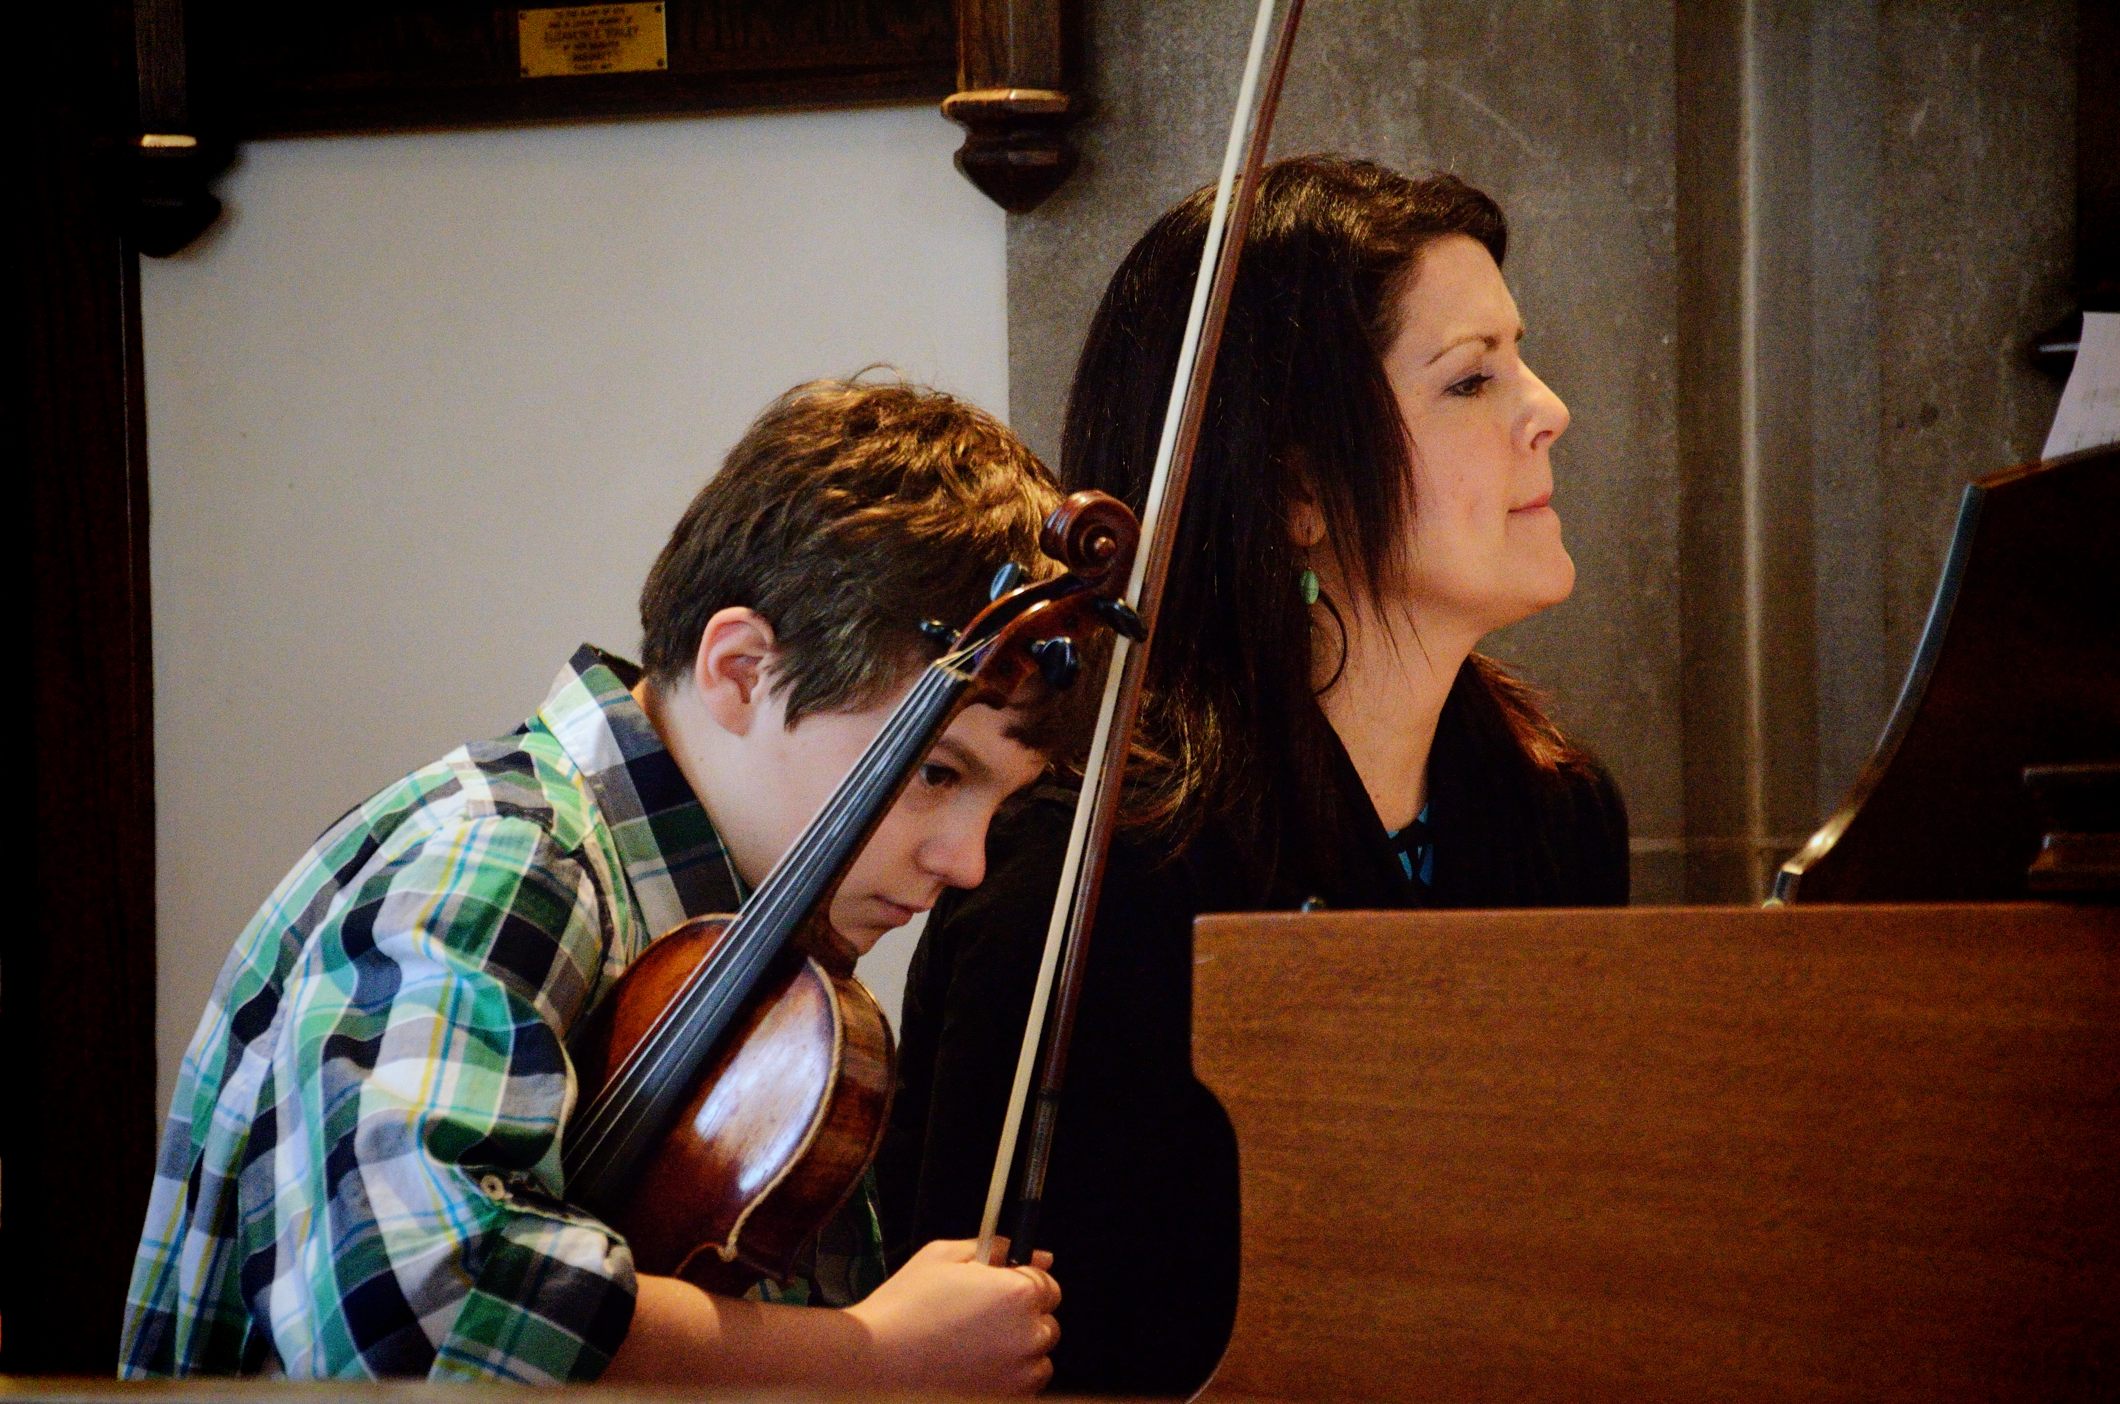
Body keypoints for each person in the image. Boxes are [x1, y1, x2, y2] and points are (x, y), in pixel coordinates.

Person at [120, 379, 1072, 1392]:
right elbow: (418, 1311)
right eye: (937, 774)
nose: (967, 863)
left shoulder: (738, 934)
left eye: (998, 804)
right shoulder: (502, 858)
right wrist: (871, 1358)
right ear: (742, 671)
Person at [881, 157, 1629, 1395]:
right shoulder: (1090, 871)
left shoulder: (1554, 813)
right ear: (1292, 491)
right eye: (1470, 378)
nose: (1546, 408)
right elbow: (976, 1356)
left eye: (1519, 358)